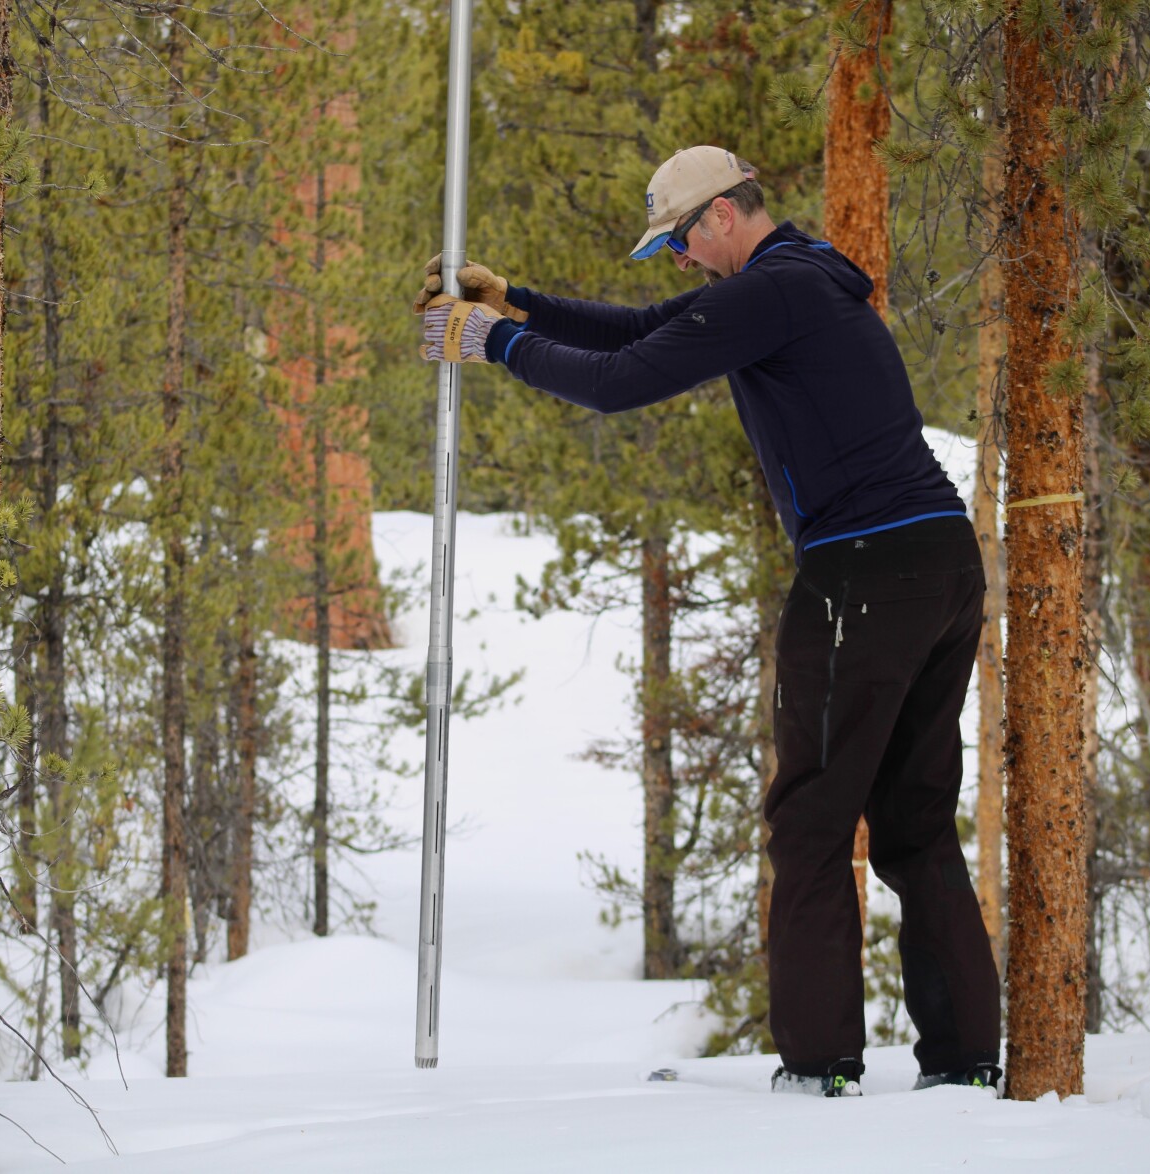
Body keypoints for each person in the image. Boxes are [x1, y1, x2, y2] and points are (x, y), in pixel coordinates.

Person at [415, 145, 1002, 1098]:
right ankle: (966, 1062)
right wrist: (516, 300)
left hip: (864, 572)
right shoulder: (797, 280)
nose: (681, 261)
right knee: (914, 823)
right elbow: (644, 329)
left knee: (810, 821)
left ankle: (819, 1069)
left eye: (683, 240)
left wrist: (492, 342)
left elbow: (617, 382)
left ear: (724, 214)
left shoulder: (768, 293)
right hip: (939, 563)